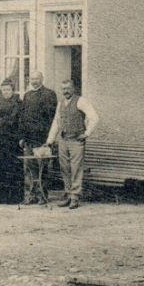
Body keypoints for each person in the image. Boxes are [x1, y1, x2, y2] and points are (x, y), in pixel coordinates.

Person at [47, 79, 100, 209]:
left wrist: (86, 133)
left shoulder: (81, 101)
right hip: (63, 140)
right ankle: (68, 194)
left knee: (76, 169)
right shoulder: (61, 103)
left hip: (76, 140)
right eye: (63, 89)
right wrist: (50, 139)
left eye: (68, 88)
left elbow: (94, 117)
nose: (65, 91)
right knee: (65, 168)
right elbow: (56, 122)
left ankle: (75, 197)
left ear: (73, 88)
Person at [0, 80, 24, 203]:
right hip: (0, 139)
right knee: (0, 165)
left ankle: (14, 197)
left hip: (12, 139)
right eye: (3, 90)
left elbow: (12, 119)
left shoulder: (17, 102)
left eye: (8, 90)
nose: (6, 92)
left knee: (12, 167)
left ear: (13, 90)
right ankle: (0, 196)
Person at [20, 73, 58, 152]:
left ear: (42, 79)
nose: (34, 81)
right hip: (28, 137)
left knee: (42, 161)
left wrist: (49, 137)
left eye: (37, 79)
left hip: (42, 136)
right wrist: (23, 136)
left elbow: (52, 117)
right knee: (29, 162)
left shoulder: (49, 94)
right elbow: (23, 116)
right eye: (32, 79)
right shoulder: (27, 95)